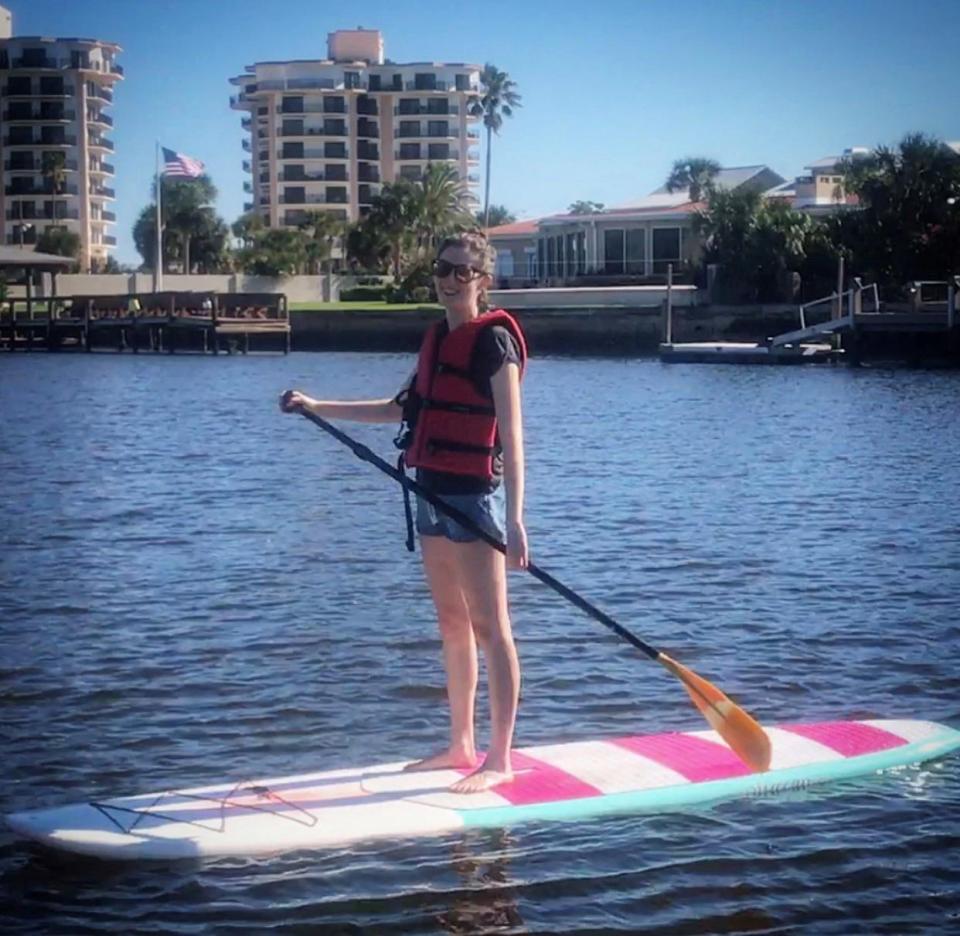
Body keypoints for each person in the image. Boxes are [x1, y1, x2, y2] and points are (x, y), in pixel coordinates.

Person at [281, 231, 527, 794]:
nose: (449, 278)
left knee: (492, 628)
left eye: (463, 271)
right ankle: (461, 743)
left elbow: (513, 437)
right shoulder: (437, 340)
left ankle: (500, 759)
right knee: (451, 623)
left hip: (472, 498)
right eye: (443, 267)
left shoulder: (495, 344)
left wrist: (515, 519)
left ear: (483, 281)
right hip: (428, 492)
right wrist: (318, 407)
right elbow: (396, 410)